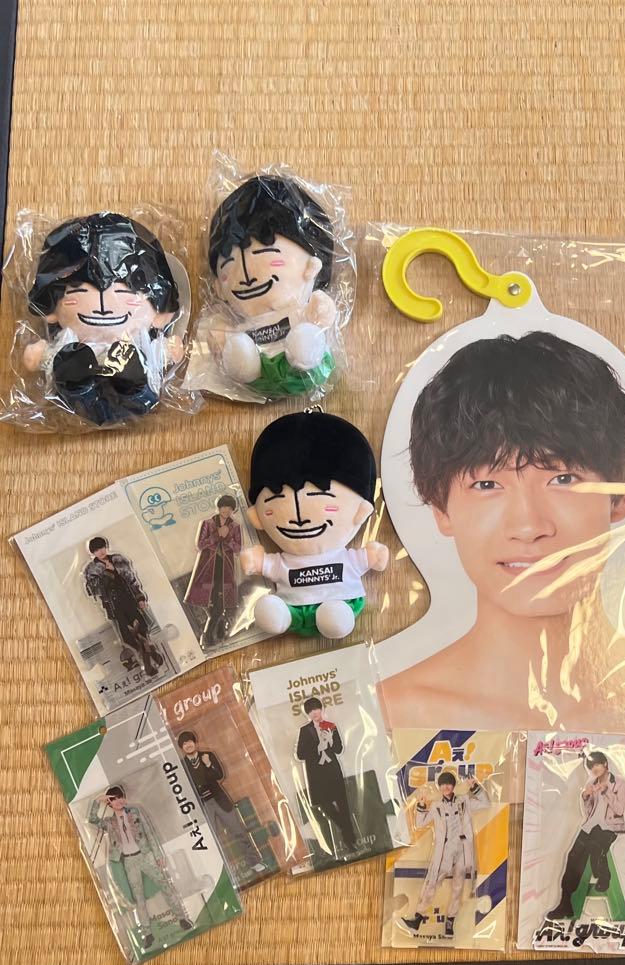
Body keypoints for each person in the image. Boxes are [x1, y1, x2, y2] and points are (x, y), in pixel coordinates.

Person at [380, 330, 625, 731]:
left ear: (618, 495)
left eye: (563, 478)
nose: (529, 526)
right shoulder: (385, 718)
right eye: (487, 485)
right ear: (441, 510)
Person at [22, 212, 182, 426]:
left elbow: (161, 352)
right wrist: (41, 355)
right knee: (70, 364)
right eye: (79, 290)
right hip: (75, 390)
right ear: (51, 310)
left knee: (135, 370)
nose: (103, 308)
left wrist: (167, 350)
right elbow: (42, 357)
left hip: (135, 387)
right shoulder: (68, 340)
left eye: (124, 292)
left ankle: (130, 383)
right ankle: (75, 381)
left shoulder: (140, 340)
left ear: (159, 313)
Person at [240, 411, 389, 639]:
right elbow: (271, 565)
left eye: (322, 500)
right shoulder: (283, 561)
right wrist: (257, 562)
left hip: (341, 600)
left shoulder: (342, 557)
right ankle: (281, 617)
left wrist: (372, 557)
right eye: (277, 502)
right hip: (292, 607)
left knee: (335, 615)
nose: (299, 519)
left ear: (362, 511)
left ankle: (335, 617)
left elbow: (359, 561)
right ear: (257, 517)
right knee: (273, 610)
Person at [206, 174, 338, 398]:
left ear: (312, 267)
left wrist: (321, 313)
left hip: (305, 367)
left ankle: (305, 350)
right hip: (258, 375)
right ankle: (245, 366)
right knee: (239, 350)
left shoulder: (299, 310)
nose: (247, 279)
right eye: (229, 267)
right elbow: (223, 337)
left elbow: (322, 315)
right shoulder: (243, 324)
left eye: (269, 256)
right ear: (218, 287)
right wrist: (222, 339)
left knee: (304, 342)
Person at [87, 784, 192, 949]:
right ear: (109, 803)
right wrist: (97, 800)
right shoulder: (109, 822)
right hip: (129, 862)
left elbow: (149, 832)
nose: (119, 801)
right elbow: (92, 820)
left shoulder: (135, 812)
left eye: (120, 797)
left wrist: (158, 855)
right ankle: (148, 934)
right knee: (139, 898)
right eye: (114, 799)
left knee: (166, 886)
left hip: (146, 856)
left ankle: (182, 918)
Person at [401, 771, 491, 938]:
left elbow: (485, 803)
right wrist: (421, 805)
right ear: (439, 786)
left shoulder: (464, 801)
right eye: (442, 784)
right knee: (433, 881)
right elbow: (420, 823)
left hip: (463, 848)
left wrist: (475, 788)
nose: (446, 787)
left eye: (448, 783)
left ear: (453, 785)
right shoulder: (437, 806)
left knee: (458, 886)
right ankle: (418, 917)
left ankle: (450, 921)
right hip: (445, 849)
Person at [176, 729, 268, 883]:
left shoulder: (207, 755)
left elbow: (219, 775)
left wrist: (208, 764)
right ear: (181, 747)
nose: (188, 745)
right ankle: (221, 872)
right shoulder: (182, 765)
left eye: (190, 741)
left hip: (220, 800)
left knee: (238, 831)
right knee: (212, 840)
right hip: (203, 806)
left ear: (195, 742)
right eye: (184, 744)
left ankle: (254, 862)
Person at [546, 751, 625, 921]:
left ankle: (603, 875)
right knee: (572, 856)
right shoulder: (591, 783)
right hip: (590, 826)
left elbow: (619, 810)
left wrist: (606, 792)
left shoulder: (619, 783)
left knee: (595, 846)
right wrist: (585, 796)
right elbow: (589, 812)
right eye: (591, 766)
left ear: (605, 764)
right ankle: (565, 903)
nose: (594, 769)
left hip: (609, 828)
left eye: (597, 764)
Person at [83, 537, 164, 677]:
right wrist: (107, 573)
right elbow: (94, 591)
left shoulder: (118, 560)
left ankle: (149, 659)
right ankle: (150, 654)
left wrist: (140, 597)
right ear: (92, 553)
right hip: (114, 606)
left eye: (102, 547)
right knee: (128, 635)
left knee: (141, 629)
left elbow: (132, 580)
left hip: (129, 600)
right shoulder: (91, 570)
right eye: (96, 550)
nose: (101, 551)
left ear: (106, 546)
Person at [294, 697, 357, 858]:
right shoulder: (305, 730)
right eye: (310, 711)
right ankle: (345, 829)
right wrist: (317, 747)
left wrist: (329, 742)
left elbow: (338, 749)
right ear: (307, 714)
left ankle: (351, 843)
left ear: (321, 709)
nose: (314, 713)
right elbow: (300, 754)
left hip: (333, 771)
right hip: (316, 775)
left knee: (343, 806)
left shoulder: (331, 726)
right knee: (325, 806)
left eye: (316, 709)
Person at [184, 494, 243, 649]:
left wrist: (227, 537)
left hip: (226, 571)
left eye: (230, 508)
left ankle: (209, 637)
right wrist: (217, 535)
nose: (226, 510)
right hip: (207, 570)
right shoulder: (207, 523)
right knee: (211, 607)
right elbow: (200, 545)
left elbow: (238, 548)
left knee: (220, 606)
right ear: (219, 507)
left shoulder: (235, 527)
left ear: (233, 510)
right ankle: (215, 634)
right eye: (224, 507)